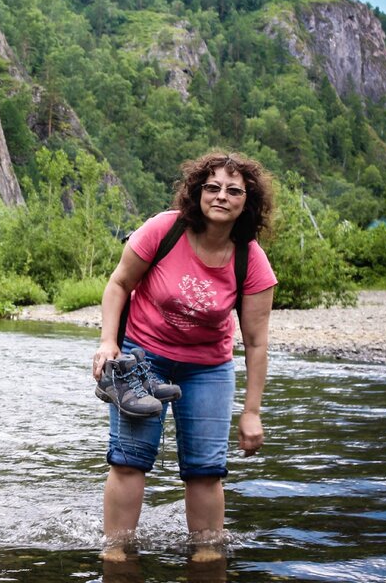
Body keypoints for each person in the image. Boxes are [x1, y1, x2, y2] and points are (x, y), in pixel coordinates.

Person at [92, 150, 278, 561]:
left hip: (208, 369)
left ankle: (207, 557)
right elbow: (119, 283)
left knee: (206, 470)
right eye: (212, 187)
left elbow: (256, 342)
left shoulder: (252, 262)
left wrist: (252, 411)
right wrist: (108, 342)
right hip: (142, 361)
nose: (222, 196)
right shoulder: (164, 229)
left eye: (234, 190)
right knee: (129, 461)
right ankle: (116, 554)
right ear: (197, 192)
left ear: (248, 201)